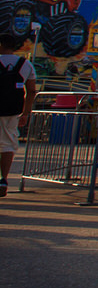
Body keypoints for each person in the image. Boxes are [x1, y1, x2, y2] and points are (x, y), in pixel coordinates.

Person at [0, 32, 39, 198]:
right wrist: (26, 112)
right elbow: (31, 90)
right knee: (8, 144)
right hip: (13, 110)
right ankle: (3, 179)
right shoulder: (25, 64)